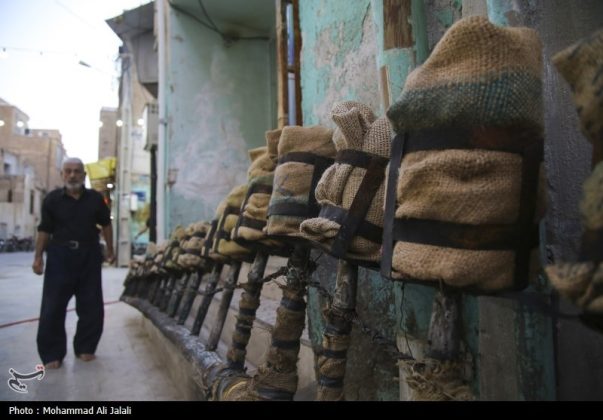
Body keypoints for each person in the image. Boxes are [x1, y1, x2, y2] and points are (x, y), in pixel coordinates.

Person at [32, 157, 115, 369]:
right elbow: (44, 229)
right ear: (62, 174)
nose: (72, 175)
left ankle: (86, 348)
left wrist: (111, 251)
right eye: (68, 171)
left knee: (91, 305)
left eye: (77, 171)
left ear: (84, 176)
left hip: (89, 255)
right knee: (53, 306)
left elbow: (106, 224)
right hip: (60, 256)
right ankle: (52, 354)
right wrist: (38, 257)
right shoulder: (52, 200)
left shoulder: (95, 199)